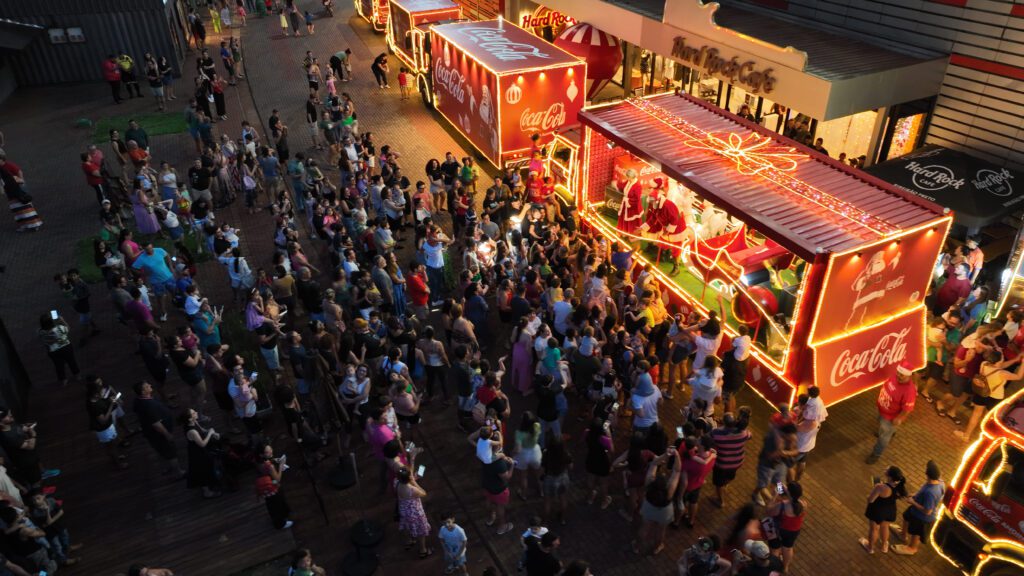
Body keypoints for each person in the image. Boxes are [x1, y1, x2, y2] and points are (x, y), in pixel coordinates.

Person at [955, 349, 1024, 441]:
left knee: (976, 414)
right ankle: (983, 438)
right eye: (1002, 358)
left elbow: (1000, 365)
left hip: (982, 393)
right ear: (999, 361)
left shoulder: (984, 364)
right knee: (987, 418)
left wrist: (1015, 359)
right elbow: (1019, 377)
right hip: (995, 398)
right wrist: (1023, 363)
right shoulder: (1002, 374)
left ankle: (966, 435)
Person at [866, 360, 917, 464]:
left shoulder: (909, 391)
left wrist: (899, 418)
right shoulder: (894, 376)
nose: (898, 376)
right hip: (882, 410)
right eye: (898, 373)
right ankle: (889, 432)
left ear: (908, 376)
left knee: (884, 438)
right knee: (882, 427)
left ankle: (876, 454)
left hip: (890, 417)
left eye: (902, 375)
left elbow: (907, 409)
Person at [633, 448, 682, 556]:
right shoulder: (669, 491)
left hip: (649, 507)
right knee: (660, 531)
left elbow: (654, 463)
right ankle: (657, 547)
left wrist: (665, 455)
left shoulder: (649, 483)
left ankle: (637, 546)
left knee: (644, 527)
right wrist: (677, 455)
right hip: (664, 512)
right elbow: (677, 471)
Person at [892, 460, 944, 556]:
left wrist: (913, 502)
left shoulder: (931, 493)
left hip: (923, 517)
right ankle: (903, 535)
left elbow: (928, 511)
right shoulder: (940, 482)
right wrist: (916, 495)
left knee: (916, 533)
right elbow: (924, 490)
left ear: (928, 474)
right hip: (915, 511)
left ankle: (912, 548)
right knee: (906, 517)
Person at [133, 381, 184, 476]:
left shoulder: (138, 400)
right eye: (147, 386)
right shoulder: (148, 405)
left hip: (151, 433)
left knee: (163, 451)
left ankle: (170, 467)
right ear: (143, 392)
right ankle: (178, 473)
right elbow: (156, 424)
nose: (150, 385)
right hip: (159, 435)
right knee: (171, 453)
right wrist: (167, 434)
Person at [860, 465, 906, 554]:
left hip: (877, 511)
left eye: (887, 469)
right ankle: (884, 545)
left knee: (874, 529)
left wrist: (869, 495)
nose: (885, 469)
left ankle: (870, 548)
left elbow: (871, 500)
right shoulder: (898, 485)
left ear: (890, 476)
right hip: (890, 510)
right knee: (885, 527)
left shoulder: (880, 487)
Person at [710, 409, 751, 508]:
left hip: (722, 464)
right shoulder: (743, 433)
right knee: (729, 477)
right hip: (736, 462)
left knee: (718, 483)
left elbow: (711, 441)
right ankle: (779, 491)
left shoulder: (717, 433)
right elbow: (750, 435)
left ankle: (720, 501)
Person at [86, 375, 129, 469]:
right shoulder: (94, 405)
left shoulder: (96, 399)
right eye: (99, 391)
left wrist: (110, 401)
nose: (101, 392)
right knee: (110, 447)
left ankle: (117, 457)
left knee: (112, 444)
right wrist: (111, 405)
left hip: (107, 426)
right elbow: (103, 420)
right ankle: (118, 464)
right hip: (103, 429)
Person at [765, 481, 806, 572]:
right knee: (788, 548)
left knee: (775, 548)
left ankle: (773, 569)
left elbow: (768, 511)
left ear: (790, 493)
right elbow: (793, 500)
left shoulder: (782, 505)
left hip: (780, 530)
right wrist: (787, 490)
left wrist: (775, 495)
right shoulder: (803, 504)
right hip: (794, 531)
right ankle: (785, 567)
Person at [181, 408, 221, 498]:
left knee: (208, 467)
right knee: (202, 471)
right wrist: (210, 433)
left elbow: (202, 430)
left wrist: (212, 433)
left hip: (201, 451)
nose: (196, 413)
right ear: (190, 418)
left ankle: (211, 483)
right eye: (194, 413)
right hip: (197, 453)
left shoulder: (194, 422)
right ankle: (207, 492)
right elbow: (202, 444)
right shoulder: (192, 431)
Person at [396, 465, 433, 559]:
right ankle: (423, 550)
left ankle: (409, 541)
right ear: (409, 477)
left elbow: (407, 479)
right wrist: (414, 482)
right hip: (415, 513)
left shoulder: (396, 483)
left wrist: (411, 478)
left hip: (404, 510)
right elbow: (424, 493)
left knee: (406, 526)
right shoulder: (412, 490)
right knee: (421, 531)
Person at [257, 443, 293, 529]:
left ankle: (283, 516)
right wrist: (280, 466)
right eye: (267, 452)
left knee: (273, 506)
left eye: (270, 450)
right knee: (277, 506)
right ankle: (280, 524)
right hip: (273, 489)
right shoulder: (270, 466)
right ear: (262, 454)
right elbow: (277, 479)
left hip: (268, 489)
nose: (270, 452)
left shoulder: (261, 463)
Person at [38, 312, 79, 386]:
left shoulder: (40, 332)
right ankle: (77, 375)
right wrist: (62, 320)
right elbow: (67, 329)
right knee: (71, 361)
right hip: (66, 347)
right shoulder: (59, 329)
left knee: (59, 366)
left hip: (53, 351)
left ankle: (64, 380)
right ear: (51, 321)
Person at [482, 450, 515, 535]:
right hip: (499, 489)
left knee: (488, 501)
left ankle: (490, 519)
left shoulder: (483, 454)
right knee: (500, 507)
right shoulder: (499, 463)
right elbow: (506, 477)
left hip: (487, 485)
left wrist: (503, 457)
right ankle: (502, 527)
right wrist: (512, 465)